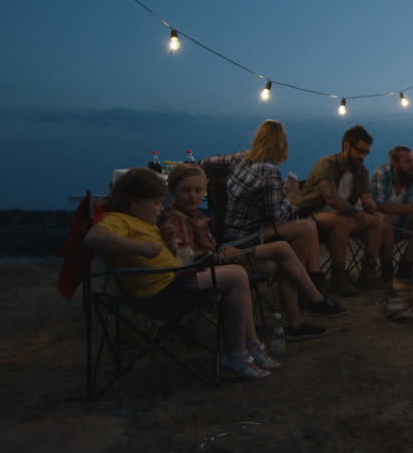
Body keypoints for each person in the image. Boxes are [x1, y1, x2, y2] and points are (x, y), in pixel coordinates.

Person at [82, 167, 271, 381]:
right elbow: (93, 237)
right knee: (237, 276)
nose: (160, 209)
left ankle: (249, 346)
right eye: (155, 203)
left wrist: (174, 242)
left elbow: (181, 260)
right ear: (134, 204)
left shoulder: (145, 224)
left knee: (237, 275)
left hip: (175, 281)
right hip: (160, 293)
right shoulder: (119, 220)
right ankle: (238, 354)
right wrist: (139, 247)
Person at [162, 164, 345, 345]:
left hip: (223, 255)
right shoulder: (177, 220)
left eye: (198, 190)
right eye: (186, 190)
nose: (193, 196)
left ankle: (310, 305)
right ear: (173, 191)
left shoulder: (193, 214)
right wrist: (216, 251)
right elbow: (186, 259)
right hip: (215, 265)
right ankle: (309, 305)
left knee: (283, 249)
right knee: (285, 255)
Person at [222, 119, 328, 298]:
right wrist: (290, 196)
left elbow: (204, 162)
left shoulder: (239, 158)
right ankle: (296, 287)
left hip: (229, 231)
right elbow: (277, 219)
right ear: (281, 145)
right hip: (248, 237)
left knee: (308, 226)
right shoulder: (270, 171)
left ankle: (306, 283)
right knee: (306, 227)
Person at [293, 125, 390, 294]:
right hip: (313, 214)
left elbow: (366, 195)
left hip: (343, 216)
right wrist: (358, 214)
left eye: (366, 153)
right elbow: (330, 198)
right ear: (346, 146)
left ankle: (367, 273)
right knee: (342, 222)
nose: (362, 156)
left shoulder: (361, 172)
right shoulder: (327, 164)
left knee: (379, 218)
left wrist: (369, 204)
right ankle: (338, 278)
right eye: (360, 151)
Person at [369, 145, 413, 283]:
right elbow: (378, 205)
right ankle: (387, 271)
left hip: (403, 222)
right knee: (385, 218)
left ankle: (405, 269)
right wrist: (407, 208)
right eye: (407, 162)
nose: (412, 165)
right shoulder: (381, 174)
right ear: (394, 163)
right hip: (379, 225)